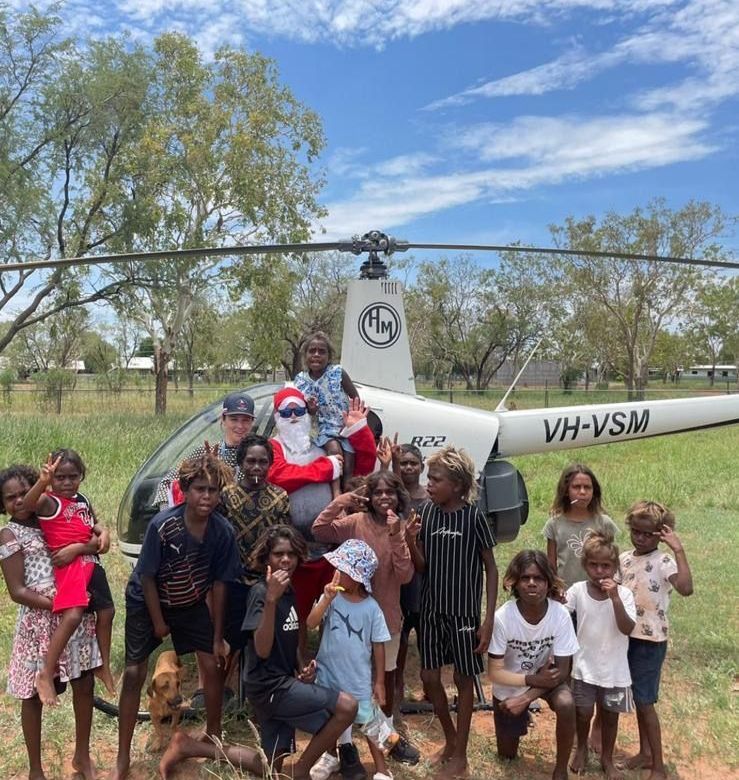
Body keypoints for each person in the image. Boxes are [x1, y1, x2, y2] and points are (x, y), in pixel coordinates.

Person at [110, 452, 241, 780]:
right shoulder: (163, 525)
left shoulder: (222, 532)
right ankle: (122, 758)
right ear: (185, 489)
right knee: (134, 670)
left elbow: (221, 584)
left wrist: (216, 635)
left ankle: (213, 734)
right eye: (199, 489)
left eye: (212, 490)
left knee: (212, 662)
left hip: (191, 602)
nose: (206, 496)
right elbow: (149, 577)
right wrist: (158, 623)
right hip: (148, 600)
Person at [0, 464, 102, 780]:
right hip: (39, 624)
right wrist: (58, 604)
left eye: (23, 494)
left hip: (74, 616)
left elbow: (92, 532)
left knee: (83, 683)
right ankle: (35, 770)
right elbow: (17, 591)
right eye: (10, 498)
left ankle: (82, 757)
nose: (18, 501)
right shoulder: (9, 534)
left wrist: (97, 536)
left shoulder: (53, 515)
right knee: (32, 696)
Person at [312, 470, 419, 767]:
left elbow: (406, 574)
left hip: (385, 619)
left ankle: (386, 742)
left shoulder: (399, 527)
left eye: (390, 492)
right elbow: (320, 530)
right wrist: (341, 501)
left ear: (399, 497)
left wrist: (399, 536)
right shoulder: (356, 522)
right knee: (343, 687)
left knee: (378, 686)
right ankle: (342, 749)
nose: (384, 497)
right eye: (378, 492)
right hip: (346, 620)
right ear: (368, 497)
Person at [405, 445, 498, 778]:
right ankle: (450, 739)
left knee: (463, 678)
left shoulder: (474, 516)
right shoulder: (427, 513)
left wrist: (487, 620)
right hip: (431, 611)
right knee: (429, 678)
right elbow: (422, 567)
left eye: (436, 479)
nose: (428, 484)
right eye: (429, 478)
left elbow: (491, 567)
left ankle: (460, 755)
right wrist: (411, 541)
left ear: (457, 485)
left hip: (463, 614)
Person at [241, 524, 359, 780]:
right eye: (278, 554)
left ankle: (191, 746)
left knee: (269, 766)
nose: (285, 560)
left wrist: (300, 666)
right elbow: (261, 650)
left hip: (284, 679)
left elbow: (291, 636)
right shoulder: (261, 593)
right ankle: (303, 770)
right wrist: (271, 599)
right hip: (268, 687)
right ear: (266, 558)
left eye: (292, 554)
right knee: (347, 707)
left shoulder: (290, 590)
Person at [267, 388, 376, 653]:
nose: (293, 417)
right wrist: (326, 468)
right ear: (277, 415)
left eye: (299, 411)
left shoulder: (324, 448)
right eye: (286, 412)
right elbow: (279, 474)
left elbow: (364, 467)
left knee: (335, 608)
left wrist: (358, 430)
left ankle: (333, 663)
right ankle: (299, 664)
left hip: (330, 548)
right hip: (294, 550)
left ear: (307, 414)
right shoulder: (273, 448)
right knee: (296, 614)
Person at [20, 449, 116, 705]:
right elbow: (26, 506)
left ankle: (103, 666)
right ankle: (46, 673)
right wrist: (42, 480)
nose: (66, 482)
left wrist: (102, 531)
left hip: (91, 563)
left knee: (107, 613)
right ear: (52, 479)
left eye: (72, 477)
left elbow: (92, 526)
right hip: (71, 566)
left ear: (81, 476)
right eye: (60, 477)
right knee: (72, 615)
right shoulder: (48, 501)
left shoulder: (81, 498)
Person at [618, 501, 693, 780]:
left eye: (648, 534)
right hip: (626, 637)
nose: (640, 537)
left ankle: (658, 764)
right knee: (639, 699)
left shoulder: (663, 562)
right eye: (636, 531)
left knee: (646, 701)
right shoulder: (624, 558)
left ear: (661, 534)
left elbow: (686, 588)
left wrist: (678, 549)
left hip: (650, 642)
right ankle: (645, 753)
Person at [307, 539, 394, 780]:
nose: (336, 573)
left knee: (368, 722)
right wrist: (325, 599)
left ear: (357, 578)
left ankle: (381, 768)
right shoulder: (332, 599)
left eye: (342, 570)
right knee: (328, 718)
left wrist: (379, 681)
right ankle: (331, 756)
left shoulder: (372, 609)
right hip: (328, 672)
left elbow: (378, 646)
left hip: (357, 677)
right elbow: (311, 623)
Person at [488, 550, 578, 780]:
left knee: (566, 703)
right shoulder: (503, 618)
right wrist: (528, 683)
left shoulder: (560, 615)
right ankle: (520, 718)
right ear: (515, 584)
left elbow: (563, 670)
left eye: (538, 578)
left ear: (548, 584)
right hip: (513, 683)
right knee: (507, 755)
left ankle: (560, 769)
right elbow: (495, 673)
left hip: (547, 681)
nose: (531, 584)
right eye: (525, 578)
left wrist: (526, 698)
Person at [566, 533, 636, 780]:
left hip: (615, 670)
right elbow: (563, 613)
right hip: (584, 667)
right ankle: (582, 748)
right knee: (583, 712)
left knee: (609, 716)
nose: (599, 571)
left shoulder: (625, 595)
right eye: (593, 565)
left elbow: (627, 628)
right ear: (585, 566)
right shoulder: (577, 591)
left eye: (605, 566)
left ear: (615, 567)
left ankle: (607, 758)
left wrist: (615, 598)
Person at [219, 434, 291, 667]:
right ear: (241, 462)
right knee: (233, 636)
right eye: (251, 461)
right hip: (234, 579)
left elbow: (284, 539)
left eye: (262, 462)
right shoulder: (227, 496)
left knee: (265, 633)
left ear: (270, 463)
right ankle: (229, 687)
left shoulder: (279, 497)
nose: (256, 467)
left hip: (267, 581)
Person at [154, 391, 255, 507]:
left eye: (246, 420)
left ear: (252, 422)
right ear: (223, 419)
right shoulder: (204, 453)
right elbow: (167, 484)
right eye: (234, 419)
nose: (240, 426)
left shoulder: (257, 458)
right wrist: (169, 516)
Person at [294, 331, 360, 496]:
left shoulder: (338, 373)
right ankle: (336, 493)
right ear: (306, 355)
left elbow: (355, 398)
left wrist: (353, 419)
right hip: (321, 428)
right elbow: (304, 412)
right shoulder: (301, 380)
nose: (316, 355)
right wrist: (312, 409)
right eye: (312, 351)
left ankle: (348, 498)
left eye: (321, 351)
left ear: (329, 356)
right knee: (334, 449)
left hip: (345, 426)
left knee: (349, 465)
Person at [392, 443, 429, 713]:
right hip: (401, 572)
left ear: (421, 466)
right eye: (403, 463)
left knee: (425, 630)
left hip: (425, 571)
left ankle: (429, 686)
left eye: (412, 463)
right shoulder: (396, 498)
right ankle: (397, 683)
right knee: (402, 632)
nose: (408, 467)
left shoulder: (429, 498)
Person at [543, 464, 618, 590]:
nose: (582, 492)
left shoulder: (604, 523)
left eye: (587, 487)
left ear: (594, 491)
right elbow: (551, 565)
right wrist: (555, 589)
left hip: (598, 592)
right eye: (576, 487)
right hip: (567, 593)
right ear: (566, 491)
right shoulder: (554, 524)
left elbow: (612, 560)